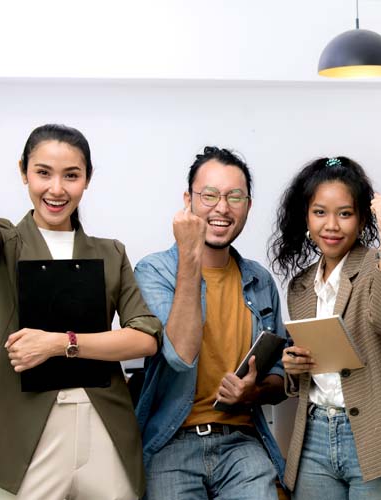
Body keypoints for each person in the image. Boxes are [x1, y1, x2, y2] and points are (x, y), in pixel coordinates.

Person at [0, 61, 162, 499]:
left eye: (72, 175)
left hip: (103, 423)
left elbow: (145, 339)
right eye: (43, 172)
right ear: (24, 172)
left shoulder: (110, 252)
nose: (57, 188)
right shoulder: (8, 244)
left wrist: (59, 343)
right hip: (26, 430)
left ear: (87, 181)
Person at [269, 156, 381, 500]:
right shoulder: (299, 286)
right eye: (320, 212)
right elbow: (312, 371)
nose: (332, 225)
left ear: (360, 219)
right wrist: (293, 368)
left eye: (345, 213)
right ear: (306, 217)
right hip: (313, 438)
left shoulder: (378, 265)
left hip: (375, 435)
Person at [134, 146, 287, 500]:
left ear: (248, 205)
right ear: (188, 200)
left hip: (242, 442)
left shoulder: (260, 280)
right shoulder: (154, 271)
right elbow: (180, 355)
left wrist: (256, 391)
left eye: (235, 196)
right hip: (171, 442)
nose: (222, 207)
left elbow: (280, 378)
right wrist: (189, 254)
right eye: (209, 195)